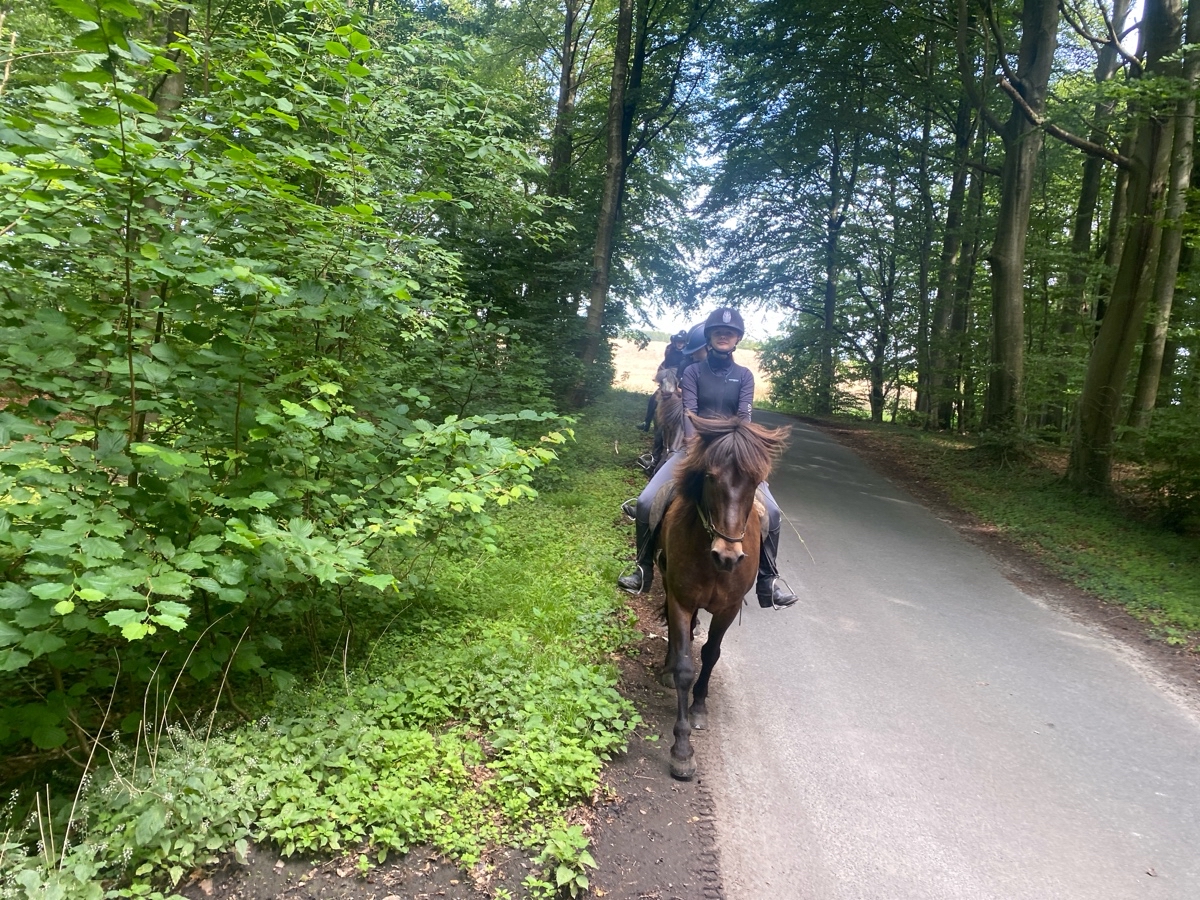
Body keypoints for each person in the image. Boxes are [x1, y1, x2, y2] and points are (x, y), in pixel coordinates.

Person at [618, 308, 798, 609]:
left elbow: (743, 418)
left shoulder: (744, 376)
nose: (723, 336)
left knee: (774, 513)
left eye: (729, 333)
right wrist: (695, 446)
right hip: (693, 451)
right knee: (648, 501)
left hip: (733, 456)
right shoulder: (692, 373)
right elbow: (689, 415)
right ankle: (643, 569)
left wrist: (737, 451)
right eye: (717, 332)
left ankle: (768, 581)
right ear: (710, 338)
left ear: (737, 339)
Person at [637, 330, 689, 431]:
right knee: (653, 398)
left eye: (682, 342)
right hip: (669, 377)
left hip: (683, 378)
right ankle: (646, 422)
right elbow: (665, 365)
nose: (679, 344)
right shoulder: (670, 351)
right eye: (678, 341)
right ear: (675, 342)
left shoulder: (688, 354)